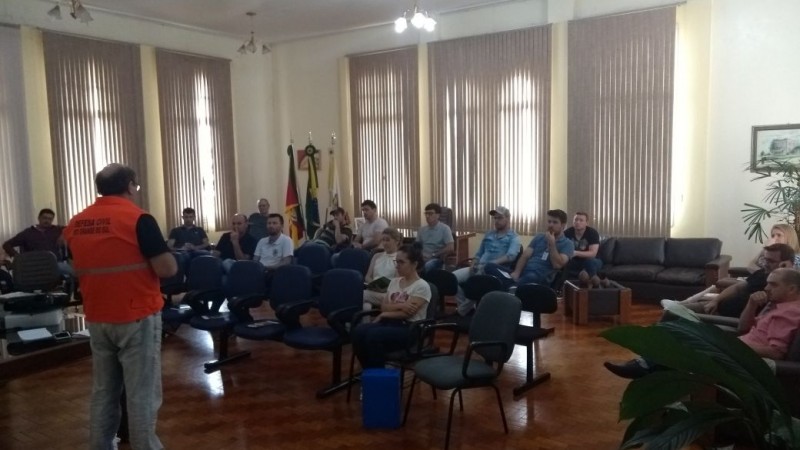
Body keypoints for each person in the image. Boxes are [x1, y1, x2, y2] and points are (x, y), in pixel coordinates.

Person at [63, 163, 177, 450]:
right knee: (141, 394)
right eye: (136, 186)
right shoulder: (138, 218)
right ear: (129, 185)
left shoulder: (76, 223)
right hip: (136, 316)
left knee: (104, 391)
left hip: (98, 318)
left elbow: (76, 265)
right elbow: (166, 269)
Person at [606, 268, 800, 379]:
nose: (766, 288)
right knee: (681, 329)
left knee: (685, 338)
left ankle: (645, 367)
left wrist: (731, 346)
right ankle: (646, 365)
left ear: (792, 289)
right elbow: (743, 327)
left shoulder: (789, 312)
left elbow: (776, 353)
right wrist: (751, 303)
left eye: (773, 284)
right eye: (767, 283)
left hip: (741, 354)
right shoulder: (777, 304)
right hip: (738, 344)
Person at [351, 244, 432, 369]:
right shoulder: (395, 281)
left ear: (414, 264)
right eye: (396, 261)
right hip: (391, 323)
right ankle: (369, 371)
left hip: (410, 328)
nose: (397, 265)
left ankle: (378, 375)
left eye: (401, 262)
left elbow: (407, 313)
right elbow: (383, 306)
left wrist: (385, 313)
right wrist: (402, 305)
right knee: (358, 331)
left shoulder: (421, 286)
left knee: (373, 336)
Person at [664, 243, 795, 318]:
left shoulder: (784, 285)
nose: (765, 264)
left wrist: (785, 271)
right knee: (670, 313)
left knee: (671, 315)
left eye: (771, 261)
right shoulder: (762, 273)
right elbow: (737, 287)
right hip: (716, 308)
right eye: (764, 259)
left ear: (786, 263)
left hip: (724, 317)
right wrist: (716, 300)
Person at [453, 206, 521, 316]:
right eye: (495, 218)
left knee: (477, 282)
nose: (496, 221)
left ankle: (462, 311)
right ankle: (468, 309)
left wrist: (492, 264)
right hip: (478, 266)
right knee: (452, 278)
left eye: (499, 218)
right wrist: (474, 262)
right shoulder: (489, 234)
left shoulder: (514, 237)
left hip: (495, 271)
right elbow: (479, 252)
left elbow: (510, 256)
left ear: (508, 218)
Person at [485, 209, 574, 289]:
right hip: (524, 272)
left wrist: (552, 244)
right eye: (549, 221)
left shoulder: (568, 244)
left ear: (563, 225)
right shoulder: (539, 237)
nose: (550, 225)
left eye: (555, 222)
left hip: (540, 277)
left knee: (531, 277)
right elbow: (525, 256)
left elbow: (557, 265)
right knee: (489, 266)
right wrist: (517, 272)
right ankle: (512, 287)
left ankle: (510, 287)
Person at [2, 208, 73, 275]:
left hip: (54, 263)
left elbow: (73, 227)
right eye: (44, 218)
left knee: (76, 274)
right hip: (35, 265)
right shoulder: (28, 233)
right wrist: (18, 256)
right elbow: (6, 244)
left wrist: (63, 234)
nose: (47, 221)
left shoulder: (57, 230)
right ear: (39, 218)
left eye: (50, 219)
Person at [363, 228, 403, 309]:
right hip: (373, 290)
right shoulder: (376, 256)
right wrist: (373, 285)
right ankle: (365, 321)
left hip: (389, 293)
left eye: (387, 240)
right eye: (383, 240)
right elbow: (367, 276)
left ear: (397, 241)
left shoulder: (400, 258)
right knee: (366, 306)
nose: (384, 243)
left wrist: (383, 288)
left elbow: (398, 281)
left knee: (360, 294)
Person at [253, 213, 294, 290]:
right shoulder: (262, 241)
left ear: (281, 226)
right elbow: (255, 260)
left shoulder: (286, 240)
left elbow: (286, 262)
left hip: (275, 273)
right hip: (259, 271)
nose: (271, 226)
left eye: (274, 223)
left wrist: (266, 268)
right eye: (269, 223)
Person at [563, 212, 603, 283]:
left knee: (589, 262)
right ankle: (566, 288)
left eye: (581, 220)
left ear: (586, 223)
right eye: (576, 220)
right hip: (574, 261)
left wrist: (575, 253)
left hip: (593, 260)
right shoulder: (567, 233)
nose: (578, 222)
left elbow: (592, 254)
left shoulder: (592, 233)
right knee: (565, 264)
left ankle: (591, 284)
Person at [416, 203, 454, 273]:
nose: (427, 216)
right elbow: (416, 246)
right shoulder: (421, 230)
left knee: (427, 266)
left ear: (438, 215)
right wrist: (420, 255)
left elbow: (450, 247)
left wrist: (433, 255)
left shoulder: (445, 229)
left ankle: (425, 283)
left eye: (430, 214)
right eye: (426, 214)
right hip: (422, 257)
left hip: (436, 258)